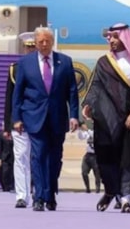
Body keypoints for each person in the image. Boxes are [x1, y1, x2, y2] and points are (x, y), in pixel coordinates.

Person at [82, 23, 130, 213]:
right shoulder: (104, 62)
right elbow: (96, 85)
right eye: (109, 37)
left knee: (129, 159)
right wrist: (88, 105)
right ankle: (111, 192)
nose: (111, 41)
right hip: (109, 119)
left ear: (125, 38)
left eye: (115, 37)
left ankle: (125, 199)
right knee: (108, 157)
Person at [12, 26, 80, 211]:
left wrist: (74, 116)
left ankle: (50, 194)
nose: (44, 44)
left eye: (47, 41)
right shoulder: (25, 63)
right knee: (38, 155)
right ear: (36, 42)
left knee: (55, 158)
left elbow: (72, 91)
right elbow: (18, 92)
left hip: (58, 117)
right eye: (40, 41)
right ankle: (39, 197)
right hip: (34, 117)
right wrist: (16, 118)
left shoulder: (65, 61)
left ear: (52, 42)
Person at [4, 32, 37, 208]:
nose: (30, 50)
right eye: (28, 47)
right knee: (20, 158)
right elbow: (9, 99)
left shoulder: (45, 68)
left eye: (33, 47)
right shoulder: (14, 69)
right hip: (20, 122)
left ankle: (39, 193)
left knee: (38, 158)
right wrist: (8, 124)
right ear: (24, 48)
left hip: (39, 120)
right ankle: (22, 195)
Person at [77, 122, 101, 194]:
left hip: (96, 156)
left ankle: (97, 189)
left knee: (97, 175)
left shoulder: (100, 133)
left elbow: (94, 136)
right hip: (88, 155)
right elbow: (81, 137)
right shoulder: (88, 133)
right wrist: (79, 129)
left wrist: (87, 129)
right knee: (84, 172)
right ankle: (87, 188)